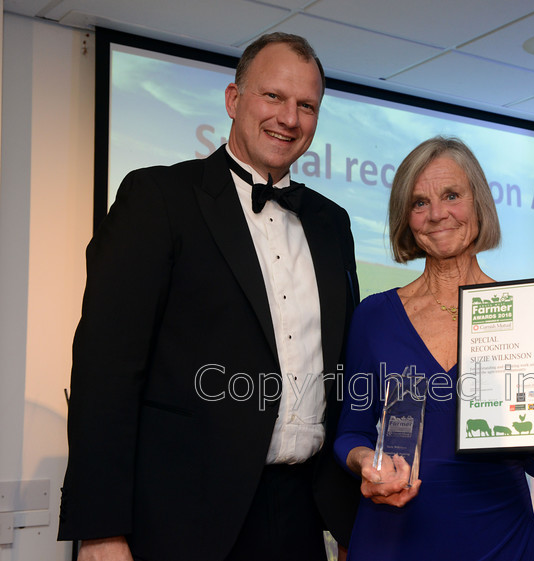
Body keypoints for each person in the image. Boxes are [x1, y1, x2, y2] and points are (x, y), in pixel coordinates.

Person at [58, 33, 359, 561]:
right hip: (180, 522)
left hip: (303, 518)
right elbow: (105, 371)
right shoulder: (157, 199)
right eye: (273, 97)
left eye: (306, 105)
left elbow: (337, 370)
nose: (289, 118)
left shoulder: (332, 224)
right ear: (233, 99)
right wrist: (101, 530)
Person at [334, 136, 534, 560]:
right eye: (419, 202)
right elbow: (351, 432)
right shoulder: (374, 316)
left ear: (479, 205)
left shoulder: (530, 313)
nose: (437, 213)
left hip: (499, 541)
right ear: (405, 218)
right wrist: (366, 460)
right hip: (392, 540)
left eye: (452, 195)